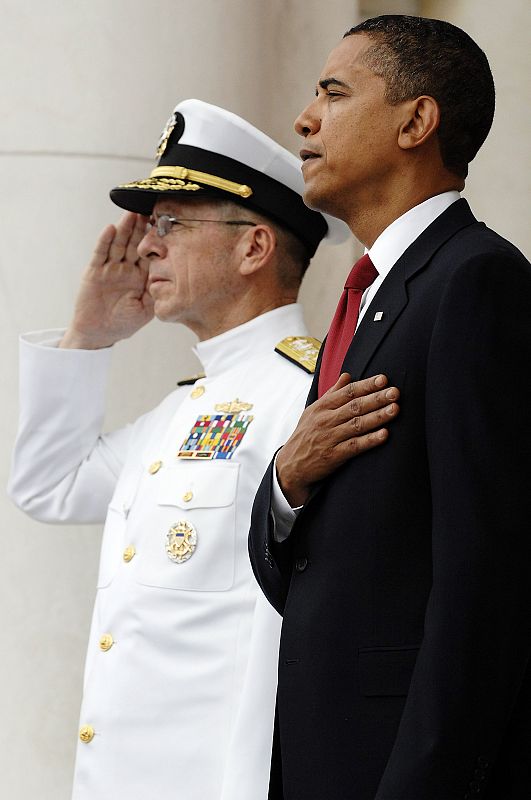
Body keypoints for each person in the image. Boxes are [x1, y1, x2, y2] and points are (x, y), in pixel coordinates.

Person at [8, 99, 399, 800]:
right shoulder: (178, 411)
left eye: (172, 225)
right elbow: (49, 485)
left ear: (253, 247)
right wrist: (87, 339)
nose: (147, 247)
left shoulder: (310, 396)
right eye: (151, 227)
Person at [249, 15, 531, 800]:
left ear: (415, 121)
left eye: (334, 94)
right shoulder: (369, 295)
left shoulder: (474, 281)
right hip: (325, 753)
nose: (304, 119)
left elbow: (488, 584)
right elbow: (312, 574)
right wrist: (286, 482)